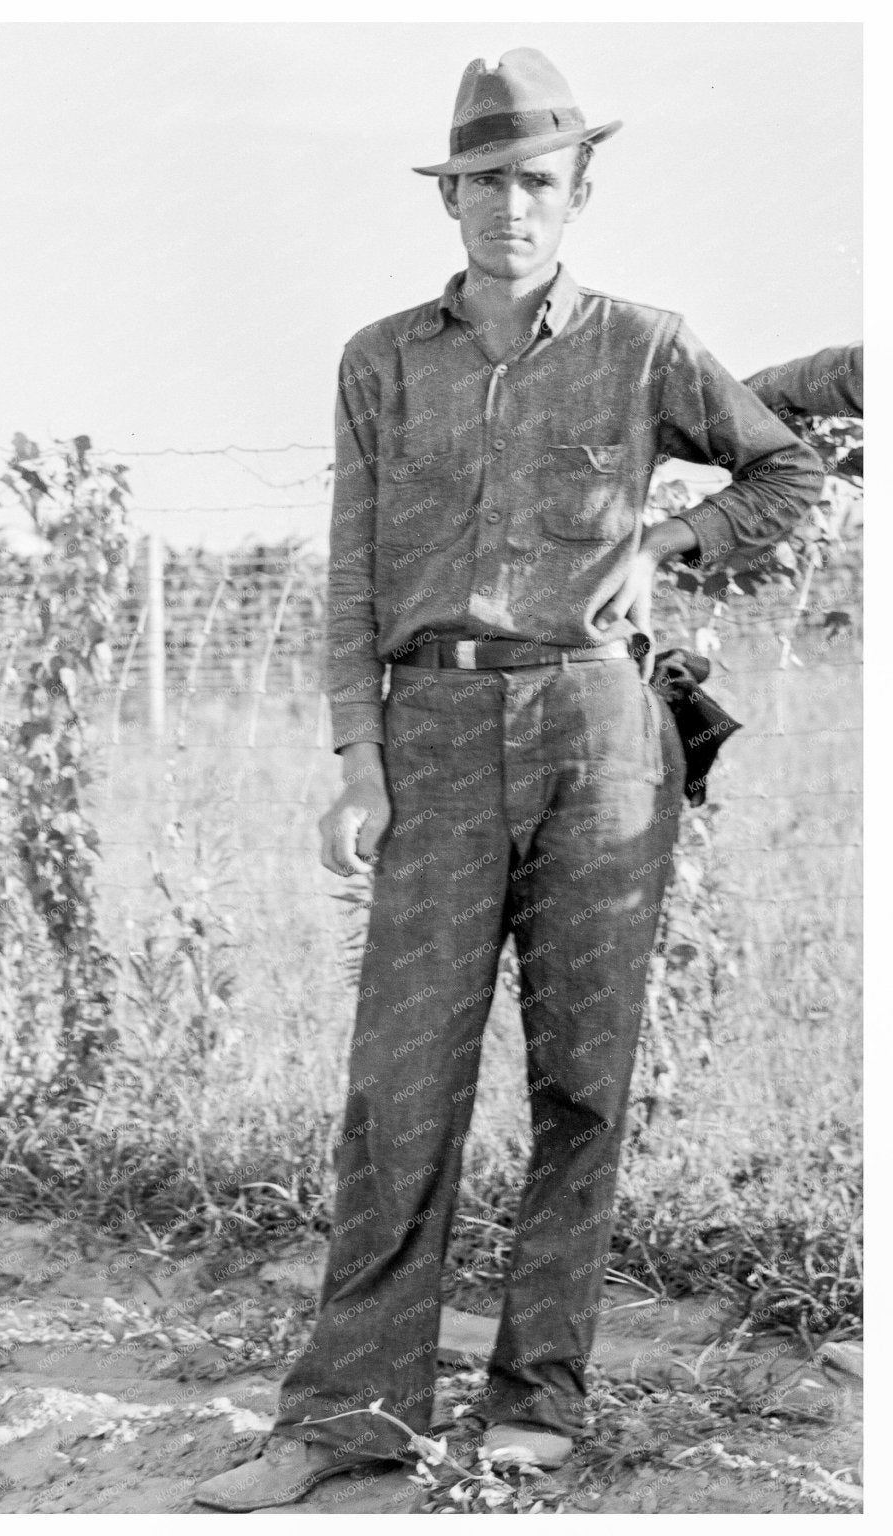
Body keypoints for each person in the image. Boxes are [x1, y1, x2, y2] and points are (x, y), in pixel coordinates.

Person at [191, 50, 823, 1512]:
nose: (510, 204)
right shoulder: (381, 360)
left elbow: (784, 472)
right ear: (451, 197)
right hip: (430, 733)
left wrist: (669, 542)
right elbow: (353, 574)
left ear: (578, 191)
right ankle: (350, 1413)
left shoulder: (646, 346)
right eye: (483, 180)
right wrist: (358, 761)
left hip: (599, 734)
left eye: (537, 178)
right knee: (399, 1085)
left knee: (582, 1079)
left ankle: (539, 1398)